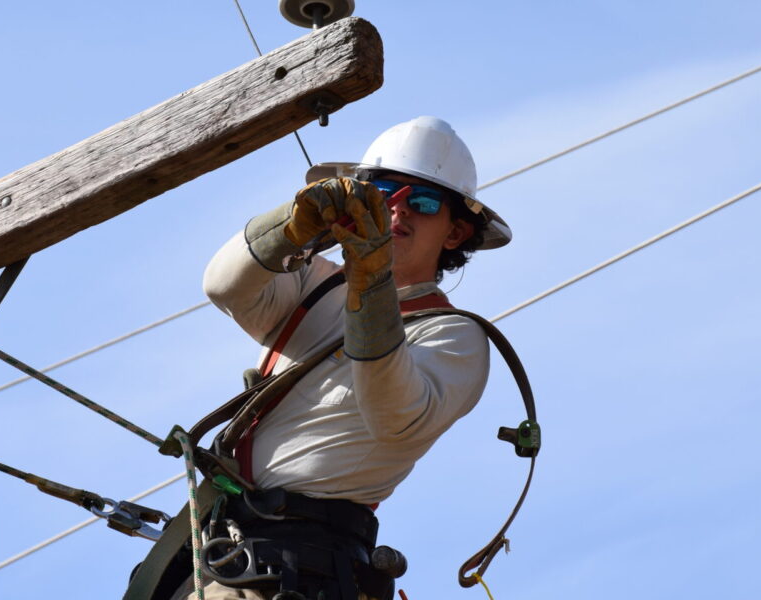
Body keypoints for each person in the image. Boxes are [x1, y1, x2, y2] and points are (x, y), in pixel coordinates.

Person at [131, 116, 512, 600]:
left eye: (422, 202)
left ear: (455, 234)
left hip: (296, 573)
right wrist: (292, 225)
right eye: (382, 190)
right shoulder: (312, 283)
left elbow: (393, 416)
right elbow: (224, 285)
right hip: (219, 558)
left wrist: (370, 280)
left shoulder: (455, 338)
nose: (397, 210)